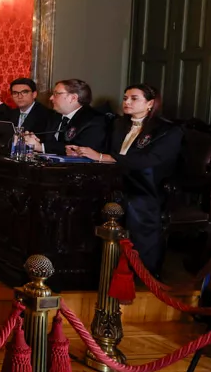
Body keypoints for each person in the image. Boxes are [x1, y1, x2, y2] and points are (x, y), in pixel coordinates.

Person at [67, 84, 182, 275]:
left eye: (134, 98)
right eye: (125, 98)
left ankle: (141, 270)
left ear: (150, 103)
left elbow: (150, 161)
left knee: (135, 204)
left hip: (148, 185)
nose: (127, 102)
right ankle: (91, 264)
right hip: (116, 180)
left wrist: (104, 158)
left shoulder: (167, 130)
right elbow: (105, 150)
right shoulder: (119, 124)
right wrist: (81, 152)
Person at [24, 78, 108, 154]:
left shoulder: (94, 119)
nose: (51, 98)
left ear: (73, 98)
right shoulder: (54, 115)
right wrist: (34, 140)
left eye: (56, 94)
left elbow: (78, 150)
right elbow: (48, 140)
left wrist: (41, 147)